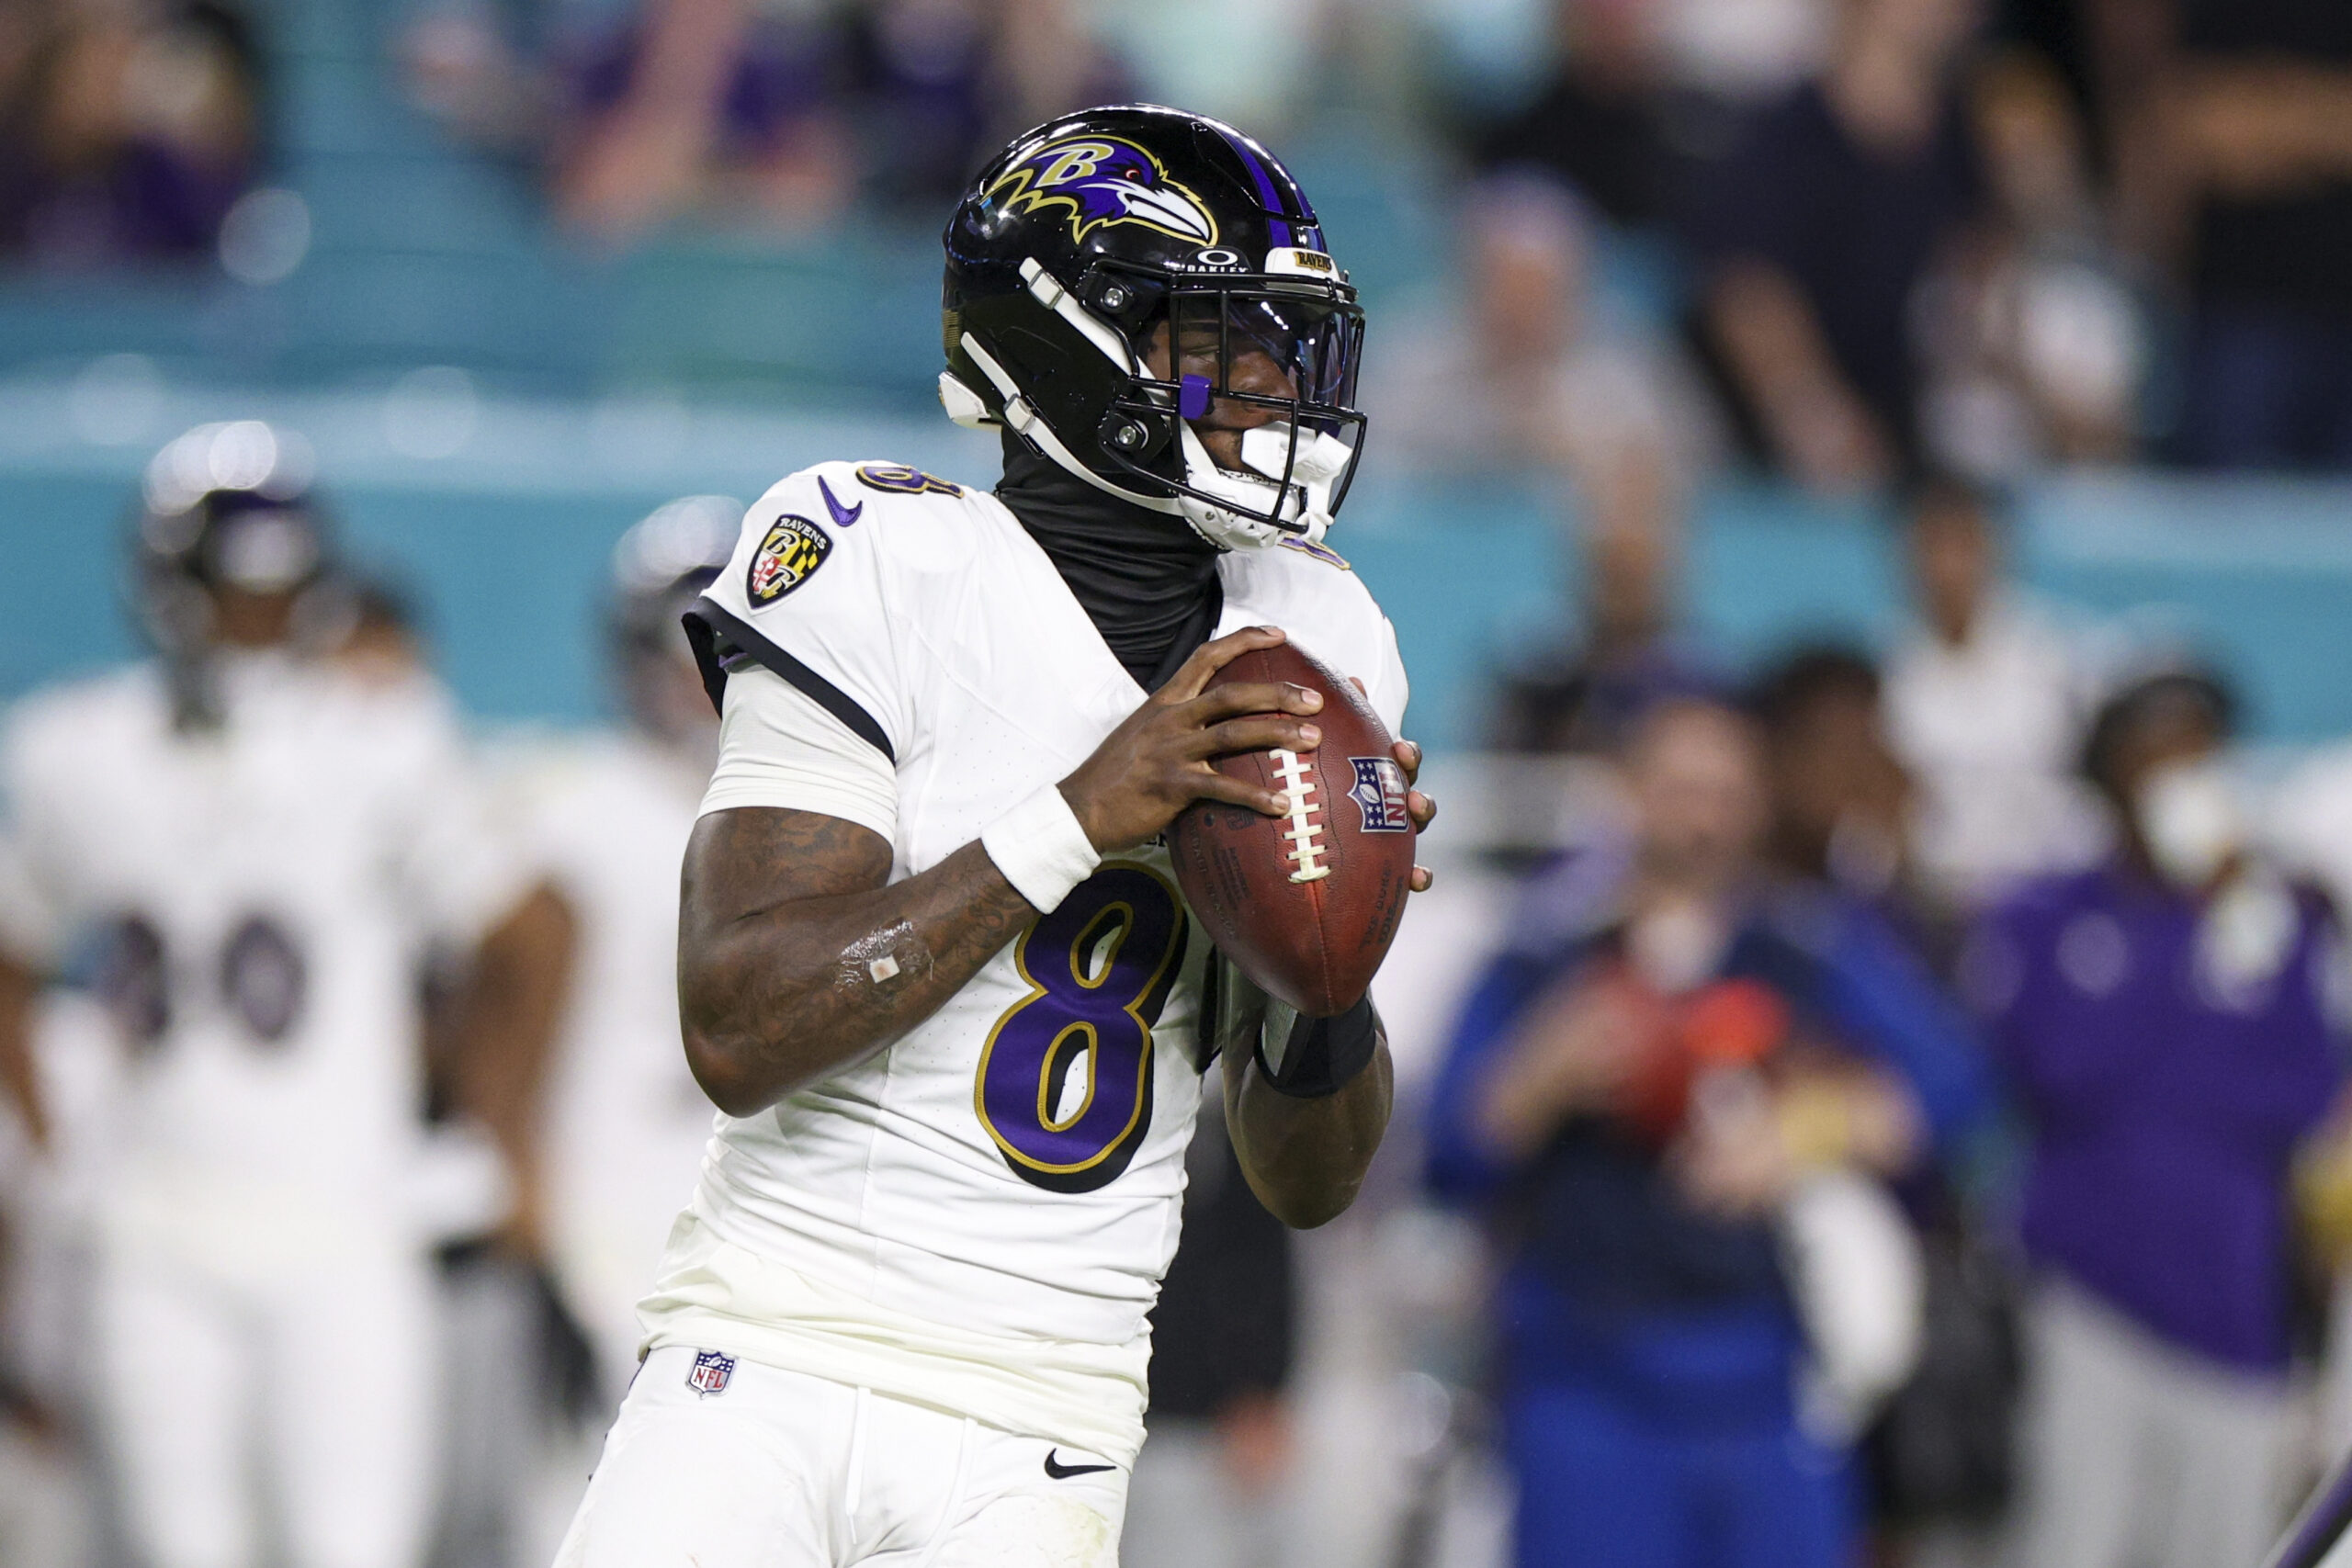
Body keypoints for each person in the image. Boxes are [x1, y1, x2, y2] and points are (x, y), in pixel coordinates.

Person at [549, 104, 1432, 1567]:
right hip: (765, 1354)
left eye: (1285, 342)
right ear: (1065, 342)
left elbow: (1308, 1177)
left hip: (1048, 1406)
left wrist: (1334, 956)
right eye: (1216, 338)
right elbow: (740, 1021)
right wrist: (1081, 814)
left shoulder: (1322, 632)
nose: (1272, 383)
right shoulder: (877, 549)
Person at [0, 422, 573, 1568]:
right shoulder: (74, 745)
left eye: (275, 595)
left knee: (352, 1547)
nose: (254, 623)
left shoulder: (379, 734)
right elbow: (13, 950)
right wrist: (55, 1144)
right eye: (233, 594)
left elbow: (531, 932)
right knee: (175, 1549)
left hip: (340, 1223)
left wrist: (499, 1133)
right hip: (151, 1222)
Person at [1426, 695, 1973, 1568]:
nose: (1702, 817)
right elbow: (1449, 1154)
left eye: (1724, 792)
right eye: (1679, 788)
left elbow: (1955, 1087)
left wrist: (1812, 1126)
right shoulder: (1546, 952)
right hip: (1585, 1388)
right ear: (1629, 791)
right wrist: (1543, 1071)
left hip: (1760, 1387)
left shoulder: (1803, 949)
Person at [1967, 668, 2344, 1568]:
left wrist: (2223, 917)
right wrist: (2180, 961)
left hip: (2233, 1315)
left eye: (2202, 757)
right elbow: (2057, 1070)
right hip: (2086, 1302)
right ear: (2106, 772)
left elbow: (2301, 1088)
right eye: (2158, 755)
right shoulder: (2043, 912)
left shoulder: (2264, 921)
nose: (2185, 779)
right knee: (2070, 1547)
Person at [519, 494, 740, 1404]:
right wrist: (532, 1217)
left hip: (777, 1197)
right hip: (617, 1189)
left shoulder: (856, 811)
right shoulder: (568, 808)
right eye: (683, 648)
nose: (705, 679)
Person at [1681, 0, 1984, 489]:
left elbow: (1970, 284)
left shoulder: (1965, 148)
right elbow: (1745, 293)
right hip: (1773, 452)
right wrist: (1814, 415)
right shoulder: (1780, 139)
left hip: (1914, 429)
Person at [1880, 477, 2104, 919]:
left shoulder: (2057, 664)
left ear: (1995, 553)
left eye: (1963, 546)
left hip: (2047, 893)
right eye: (1931, 548)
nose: (1947, 567)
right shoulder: (1887, 673)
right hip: (1932, 902)